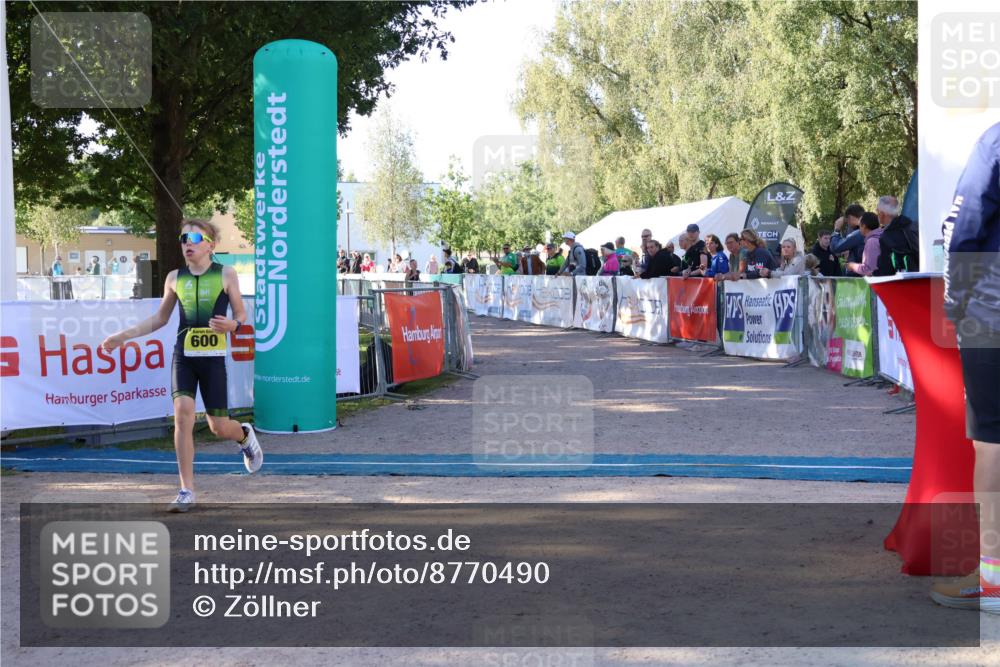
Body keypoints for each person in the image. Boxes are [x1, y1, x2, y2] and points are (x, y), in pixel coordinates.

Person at [99, 219, 263, 513]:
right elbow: (160, 319)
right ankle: (186, 490)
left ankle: (244, 435)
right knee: (183, 416)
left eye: (194, 237)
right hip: (183, 356)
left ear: (210, 244)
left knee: (218, 427)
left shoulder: (226, 274)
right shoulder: (175, 277)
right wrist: (123, 337)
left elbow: (240, 314)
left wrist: (233, 324)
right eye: (183, 237)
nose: (187, 242)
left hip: (212, 360)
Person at [932, 122, 1000, 615]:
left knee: (993, 443)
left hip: (993, 316)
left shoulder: (996, 140)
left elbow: (962, 224)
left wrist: (955, 304)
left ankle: (995, 580)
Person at [874, 194, 919, 276]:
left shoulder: (886, 237)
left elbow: (885, 270)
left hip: (902, 282)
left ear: (882, 214)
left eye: (877, 211)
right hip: (923, 277)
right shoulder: (913, 225)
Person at [831, 203, 866, 275]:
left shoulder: (859, 233)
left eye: (847, 221)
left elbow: (835, 247)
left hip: (857, 278)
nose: (848, 224)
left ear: (850, 217)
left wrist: (836, 230)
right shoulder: (869, 229)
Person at [845, 212, 882, 277]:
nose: (859, 229)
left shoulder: (872, 242)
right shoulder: (880, 237)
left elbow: (869, 270)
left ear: (864, 226)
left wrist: (852, 266)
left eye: (860, 226)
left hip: (876, 283)